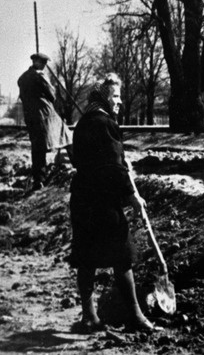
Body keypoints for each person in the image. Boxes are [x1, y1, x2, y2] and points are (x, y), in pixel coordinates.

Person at [68, 74, 156, 333]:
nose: (120, 102)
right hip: (103, 202)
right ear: (105, 98)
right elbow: (114, 170)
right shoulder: (106, 123)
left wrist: (119, 161)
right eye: (116, 96)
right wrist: (134, 197)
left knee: (86, 256)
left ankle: (89, 317)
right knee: (122, 255)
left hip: (82, 199)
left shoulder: (83, 124)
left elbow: (82, 161)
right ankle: (136, 317)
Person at [17, 52, 72, 192]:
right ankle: (80, 167)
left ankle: (38, 181)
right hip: (46, 115)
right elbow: (52, 95)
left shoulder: (22, 78)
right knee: (67, 136)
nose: (45, 66)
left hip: (31, 117)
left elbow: (22, 97)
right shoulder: (40, 76)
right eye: (44, 63)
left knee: (37, 148)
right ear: (39, 63)